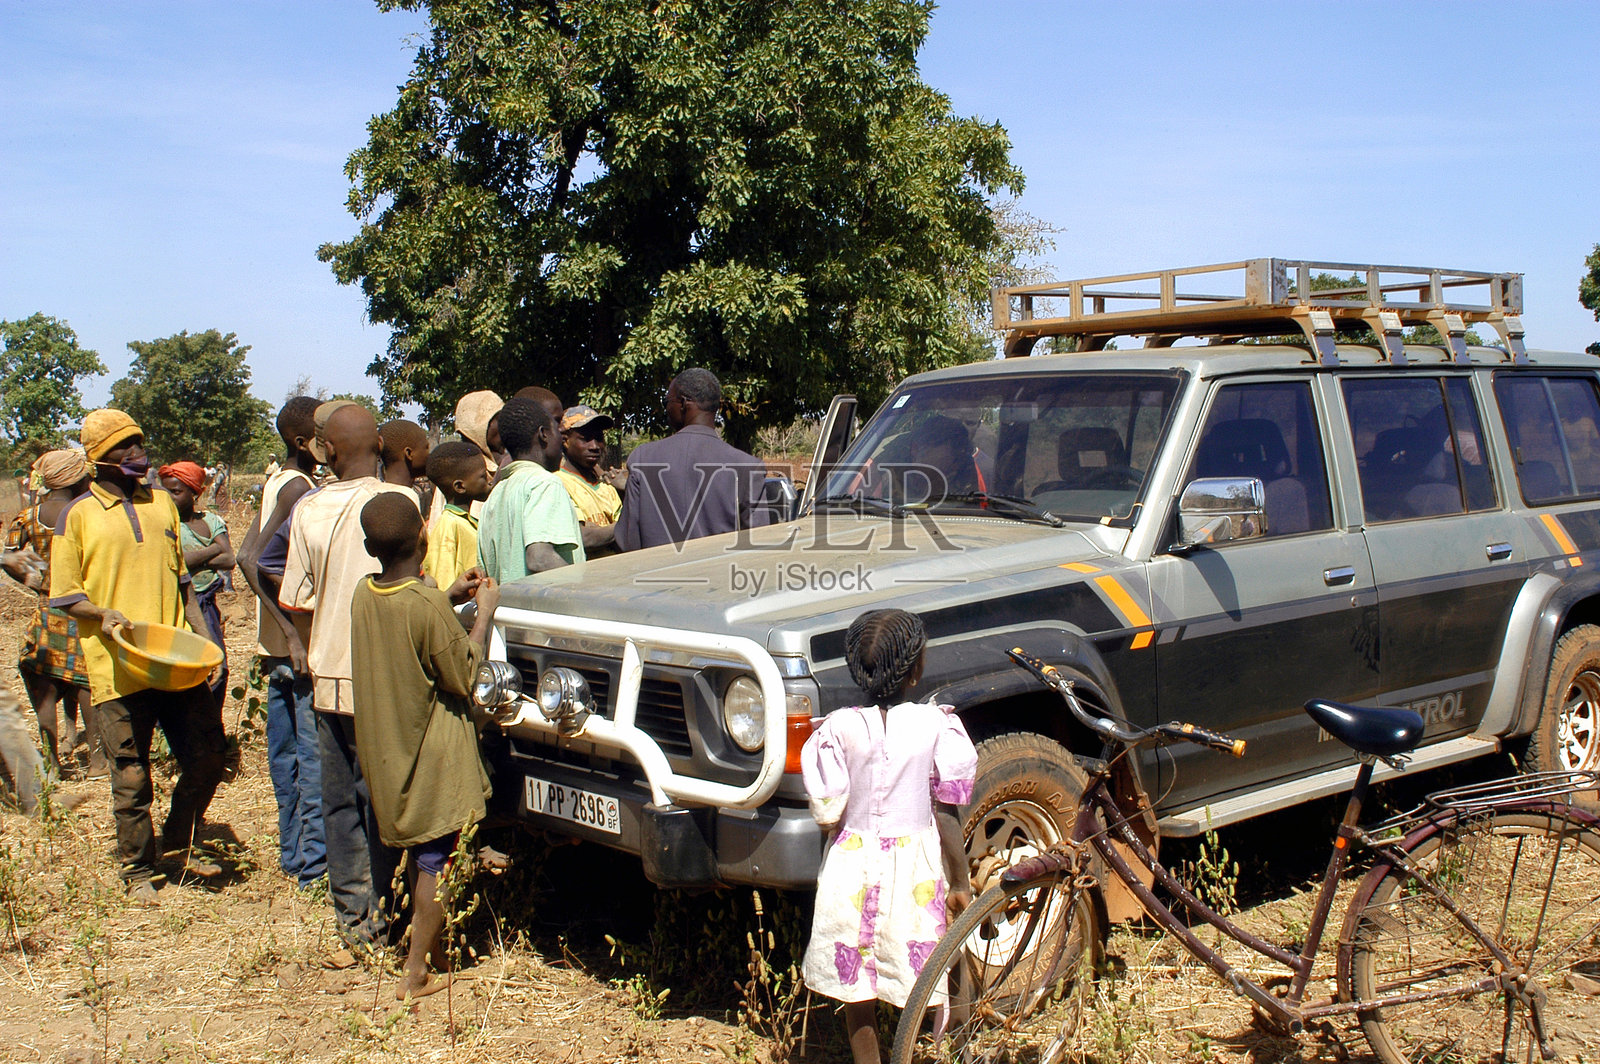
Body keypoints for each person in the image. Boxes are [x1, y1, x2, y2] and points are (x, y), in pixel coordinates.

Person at [50, 409, 227, 902]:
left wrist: (205, 641)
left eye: (138, 443)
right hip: (117, 665)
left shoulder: (162, 506)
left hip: (173, 662)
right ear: (96, 462)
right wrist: (100, 612)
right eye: (121, 449)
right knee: (130, 772)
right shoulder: (78, 516)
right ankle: (137, 867)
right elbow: (64, 594)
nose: (135, 454)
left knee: (208, 754)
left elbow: (182, 581)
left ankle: (177, 836)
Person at [799, 609, 977, 1064]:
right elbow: (946, 813)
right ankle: (934, 1048)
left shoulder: (836, 729)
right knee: (924, 966)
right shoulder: (936, 726)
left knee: (854, 983)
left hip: (849, 865)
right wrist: (959, 882)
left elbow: (828, 812)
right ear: (916, 670)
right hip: (914, 869)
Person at [279, 403, 418, 949]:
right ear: (380, 446)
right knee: (384, 800)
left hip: (330, 675)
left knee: (339, 804)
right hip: (388, 680)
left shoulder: (308, 509)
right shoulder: (401, 501)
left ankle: (356, 922)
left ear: (327, 450)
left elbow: (299, 602)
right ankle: (390, 909)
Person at [349, 493, 497, 1000]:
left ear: (371, 547)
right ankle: (416, 972)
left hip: (388, 750)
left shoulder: (364, 594)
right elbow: (464, 673)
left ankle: (434, 950)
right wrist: (483, 613)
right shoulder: (427, 604)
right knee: (437, 857)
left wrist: (449, 596)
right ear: (425, 536)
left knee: (421, 853)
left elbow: (411, 625)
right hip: (430, 755)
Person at [236, 396, 325, 888]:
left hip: (276, 650)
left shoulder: (279, 481)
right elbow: (252, 559)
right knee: (310, 760)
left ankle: (294, 855)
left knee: (285, 755)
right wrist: (292, 630)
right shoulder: (298, 487)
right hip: (296, 648)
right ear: (303, 441)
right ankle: (312, 866)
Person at [7, 449, 100, 778]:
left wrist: (35, 580)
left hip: (48, 608)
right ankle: (99, 760)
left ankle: (52, 762)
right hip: (83, 607)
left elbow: (9, 557)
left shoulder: (30, 516)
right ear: (78, 478)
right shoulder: (86, 513)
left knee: (43, 682)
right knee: (86, 682)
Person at [615, 368, 772, 551]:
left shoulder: (643, 458)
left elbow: (627, 541)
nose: (666, 408)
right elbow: (758, 546)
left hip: (656, 577)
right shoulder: (748, 468)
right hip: (720, 577)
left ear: (682, 403)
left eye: (668, 401)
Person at [477, 397, 584, 583]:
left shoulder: (495, 495)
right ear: (543, 434)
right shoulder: (545, 484)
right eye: (558, 432)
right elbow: (540, 559)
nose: (562, 440)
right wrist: (588, 590)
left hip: (507, 609)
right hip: (546, 609)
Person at [158, 461, 234, 720]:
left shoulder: (210, 520)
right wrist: (212, 550)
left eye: (176, 492)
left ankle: (212, 723)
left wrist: (191, 558)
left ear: (194, 493)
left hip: (206, 604)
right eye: (166, 490)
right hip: (177, 605)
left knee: (217, 666)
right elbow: (175, 563)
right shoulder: (163, 524)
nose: (170, 497)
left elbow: (229, 560)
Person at [555, 405, 624, 558]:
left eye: (599, 439)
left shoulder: (607, 487)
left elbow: (629, 537)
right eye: (585, 439)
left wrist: (603, 532)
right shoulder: (558, 483)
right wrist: (621, 528)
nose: (594, 447)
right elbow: (585, 538)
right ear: (565, 441)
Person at [422, 442, 490, 590]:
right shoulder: (449, 525)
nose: (490, 480)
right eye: (483, 476)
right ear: (460, 487)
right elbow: (444, 584)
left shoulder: (467, 522)